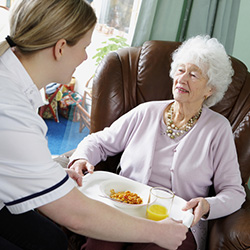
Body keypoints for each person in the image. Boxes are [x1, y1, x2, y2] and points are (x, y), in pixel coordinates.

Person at [0, 0, 188, 250]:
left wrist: (44, 176)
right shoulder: (12, 110)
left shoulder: (13, 81)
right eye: (85, 46)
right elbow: (75, 216)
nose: (86, 56)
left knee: (51, 239)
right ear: (61, 48)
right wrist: (158, 232)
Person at [68, 35, 246, 250]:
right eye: (180, 70)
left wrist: (208, 205)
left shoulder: (218, 129)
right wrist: (81, 158)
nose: (182, 79)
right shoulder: (146, 111)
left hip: (175, 220)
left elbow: (234, 192)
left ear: (210, 89)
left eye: (194, 74)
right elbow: (100, 141)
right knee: (100, 244)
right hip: (124, 206)